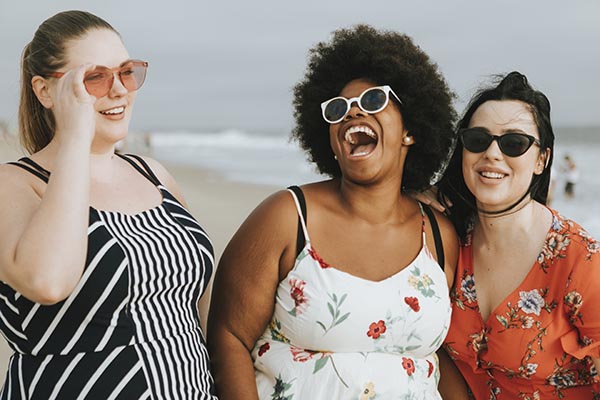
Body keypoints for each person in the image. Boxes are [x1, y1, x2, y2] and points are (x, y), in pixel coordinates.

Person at [208, 25, 466, 399]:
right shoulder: (287, 217)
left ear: (410, 130)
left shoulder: (440, 236)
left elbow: (437, 355)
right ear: (329, 140)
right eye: (337, 109)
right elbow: (227, 337)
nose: (352, 112)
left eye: (375, 100)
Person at [0, 11, 216, 398]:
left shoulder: (154, 174)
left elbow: (200, 307)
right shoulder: (14, 183)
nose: (119, 90)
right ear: (45, 91)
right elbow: (47, 282)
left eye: (127, 72)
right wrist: (75, 137)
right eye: (95, 78)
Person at [437, 71, 600, 398]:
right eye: (478, 140)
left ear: (542, 159)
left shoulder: (578, 258)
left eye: (514, 143)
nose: (492, 154)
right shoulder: (446, 240)